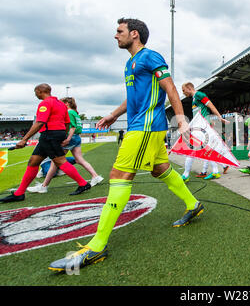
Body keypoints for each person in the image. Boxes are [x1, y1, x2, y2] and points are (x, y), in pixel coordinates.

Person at [49, 18, 203, 272]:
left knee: (119, 175)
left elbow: (171, 88)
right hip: (139, 126)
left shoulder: (150, 57)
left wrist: (181, 120)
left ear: (134, 34)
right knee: (159, 169)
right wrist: (113, 114)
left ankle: (97, 246)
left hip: (145, 127)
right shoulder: (130, 63)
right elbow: (132, 97)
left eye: (119, 31)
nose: (115, 35)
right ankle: (193, 204)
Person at [0, 84, 91, 204]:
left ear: (40, 91)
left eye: (35, 92)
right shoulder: (61, 104)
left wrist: (24, 139)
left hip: (49, 135)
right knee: (33, 161)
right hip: (52, 135)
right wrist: (63, 135)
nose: (35, 94)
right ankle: (19, 193)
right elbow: (67, 123)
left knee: (60, 161)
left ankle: (83, 183)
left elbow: (39, 123)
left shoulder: (45, 103)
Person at [27, 97, 104, 194]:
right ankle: (95, 176)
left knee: (55, 162)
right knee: (79, 160)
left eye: (62, 103)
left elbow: (72, 127)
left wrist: (67, 139)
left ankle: (44, 186)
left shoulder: (69, 112)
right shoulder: (75, 112)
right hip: (76, 138)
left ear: (67, 103)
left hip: (70, 138)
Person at [180, 82, 230, 182]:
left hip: (202, 126)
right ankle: (217, 170)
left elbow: (211, 106)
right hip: (200, 126)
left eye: (183, 90)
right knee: (206, 149)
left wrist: (220, 118)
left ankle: (186, 175)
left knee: (193, 149)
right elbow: (203, 111)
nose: (183, 92)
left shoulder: (199, 95)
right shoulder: (194, 98)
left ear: (189, 88)